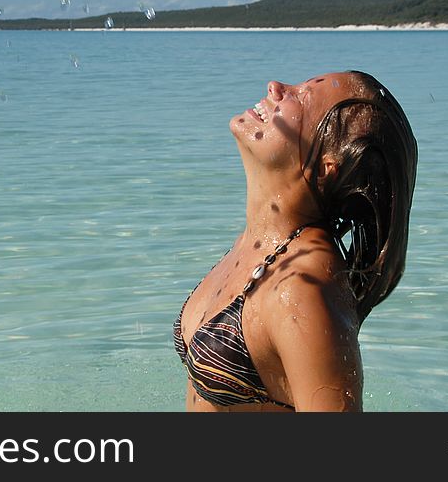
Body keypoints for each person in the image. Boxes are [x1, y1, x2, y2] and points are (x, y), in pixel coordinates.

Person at [173, 70, 418, 412]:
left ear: (326, 168)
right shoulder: (261, 243)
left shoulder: (305, 285)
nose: (276, 87)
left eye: (301, 99)